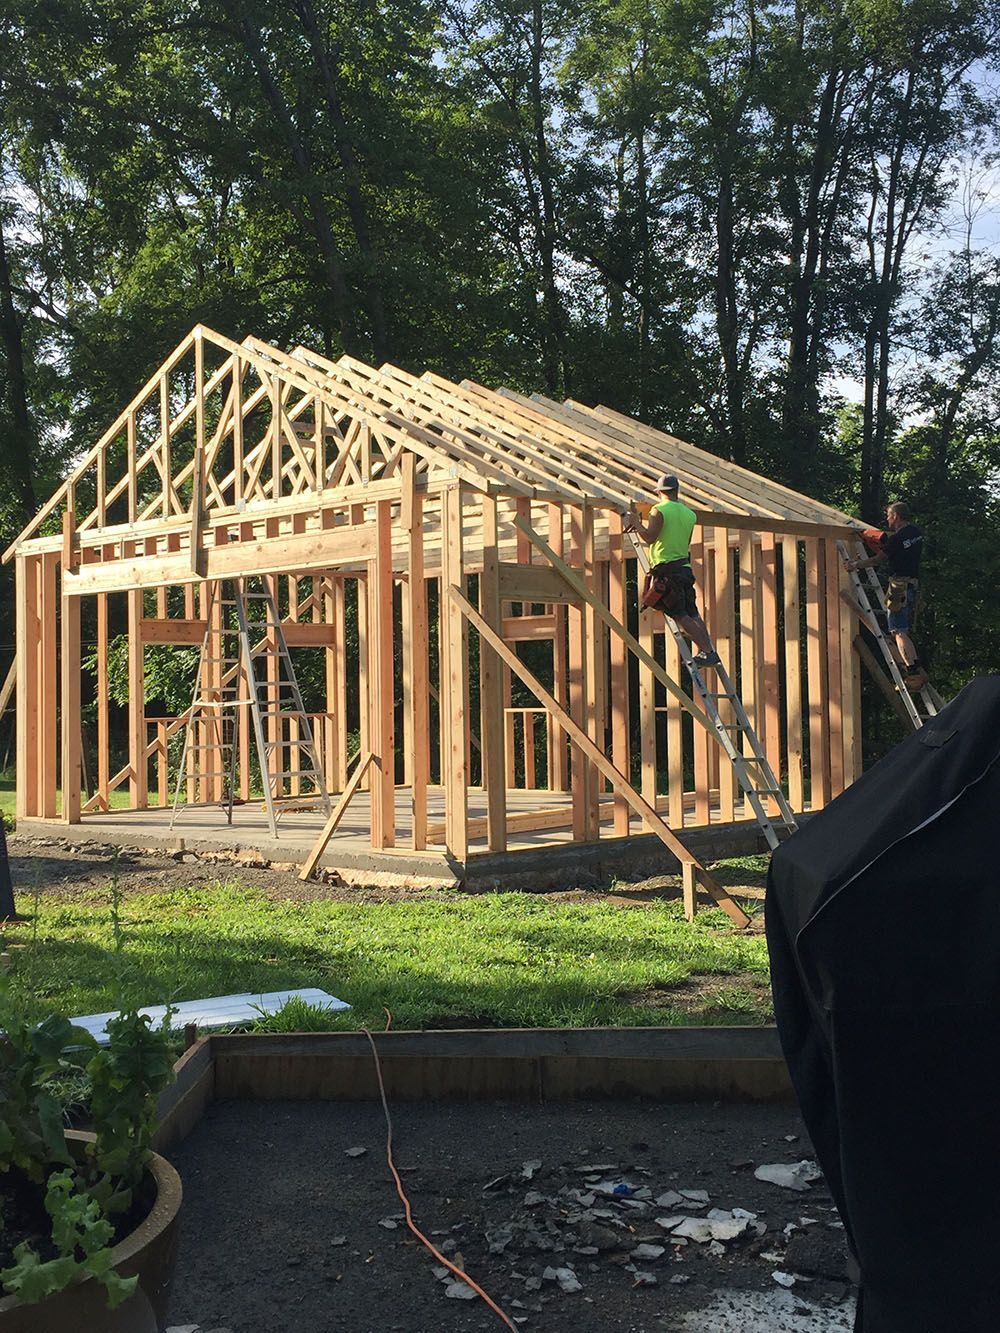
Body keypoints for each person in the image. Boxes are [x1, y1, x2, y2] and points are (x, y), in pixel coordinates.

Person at [624, 474, 720, 669]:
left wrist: (636, 522)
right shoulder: (689, 514)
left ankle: (708, 653)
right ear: (677, 491)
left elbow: (650, 538)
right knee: (693, 613)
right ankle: (708, 650)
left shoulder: (658, 510)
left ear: (659, 492)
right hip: (684, 568)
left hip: (667, 569)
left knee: (679, 613)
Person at [846, 500, 928, 690]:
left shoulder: (896, 539)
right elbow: (894, 544)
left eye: (889, 515)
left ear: (896, 516)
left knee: (898, 631)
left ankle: (913, 673)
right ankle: (918, 669)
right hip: (912, 584)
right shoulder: (915, 533)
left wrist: (854, 565)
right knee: (901, 629)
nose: (887, 518)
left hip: (899, 586)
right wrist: (876, 537)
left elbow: (878, 560)